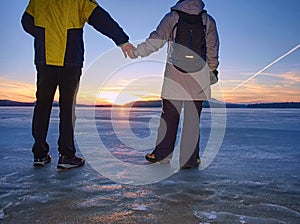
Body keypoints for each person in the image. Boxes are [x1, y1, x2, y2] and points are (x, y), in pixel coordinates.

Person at [21, 0, 135, 169]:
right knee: (67, 108)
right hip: (70, 60)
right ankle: (67, 156)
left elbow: (26, 22)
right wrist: (122, 40)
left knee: (42, 106)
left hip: (44, 59)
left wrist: (45, 36)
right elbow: (100, 18)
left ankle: (40, 154)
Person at [130, 0, 219, 168]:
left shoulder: (172, 17)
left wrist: (137, 51)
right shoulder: (208, 21)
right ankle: (189, 160)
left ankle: (162, 155)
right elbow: (213, 48)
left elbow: (156, 39)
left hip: (174, 74)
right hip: (199, 76)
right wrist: (212, 71)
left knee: (169, 116)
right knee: (192, 119)